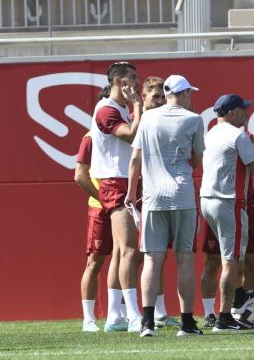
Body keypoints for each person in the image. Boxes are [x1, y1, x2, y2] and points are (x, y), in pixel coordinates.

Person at [201, 94, 254, 331]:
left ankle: (226, 309)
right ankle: (224, 317)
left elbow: (231, 161)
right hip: (229, 201)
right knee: (231, 261)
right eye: (242, 110)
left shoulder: (211, 133)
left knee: (222, 260)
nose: (246, 113)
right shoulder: (238, 135)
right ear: (231, 113)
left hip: (208, 200)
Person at [126, 74, 205, 337]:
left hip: (153, 197)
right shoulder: (194, 119)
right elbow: (196, 160)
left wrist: (129, 192)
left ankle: (147, 323)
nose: (190, 97)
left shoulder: (147, 118)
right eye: (189, 93)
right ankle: (187, 323)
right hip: (182, 196)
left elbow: (135, 158)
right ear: (181, 94)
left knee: (152, 259)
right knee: (185, 260)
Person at [90, 61, 143, 332]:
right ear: (119, 82)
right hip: (115, 181)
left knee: (123, 250)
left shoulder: (120, 108)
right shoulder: (107, 109)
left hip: (124, 180)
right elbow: (132, 134)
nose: (137, 82)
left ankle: (114, 316)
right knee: (130, 248)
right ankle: (133, 314)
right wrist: (139, 106)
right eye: (133, 77)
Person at [200, 132, 254, 328]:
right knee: (213, 261)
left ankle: (245, 312)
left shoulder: (250, 138)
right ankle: (210, 314)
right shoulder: (216, 138)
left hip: (244, 205)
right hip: (224, 202)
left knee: (247, 261)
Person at [76, 86, 122, 332]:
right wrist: (103, 199)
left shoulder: (122, 133)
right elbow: (80, 175)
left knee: (124, 257)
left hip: (120, 203)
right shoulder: (91, 136)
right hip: (100, 207)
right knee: (95, 261)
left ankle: (120, 314)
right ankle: (89, 319)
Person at [136, 76, 180, 328]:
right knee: (137, 255)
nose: (161, 101)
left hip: (160, 193)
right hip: (144, 195)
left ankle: (159, 311)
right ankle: (131, 311)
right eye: (156, 97)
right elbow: (134, 160)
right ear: (144, 98)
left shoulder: (166, 119)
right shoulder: (143, 121)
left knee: (157, 255)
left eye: (163, 96)